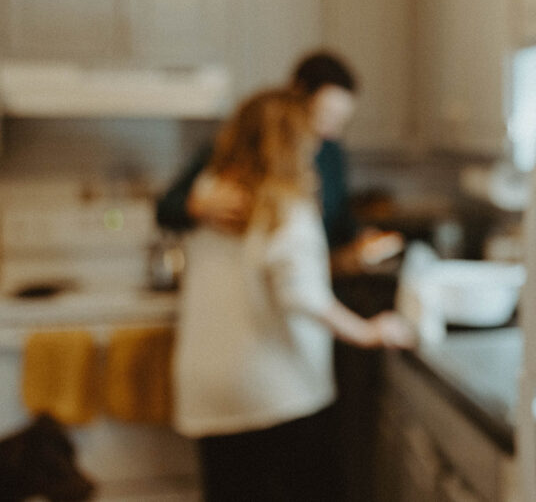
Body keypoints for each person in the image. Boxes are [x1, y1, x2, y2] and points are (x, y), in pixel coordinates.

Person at [172, 88, 414, 501]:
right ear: (290, 141)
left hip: (207, 383)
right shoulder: (285, 202)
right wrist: (369, 331)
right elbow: (300, 294)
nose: (318, 143)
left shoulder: (210, 190)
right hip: (273, 388)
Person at [156, 49, 401, 274]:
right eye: (326, 116)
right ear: (296, 99)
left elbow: (337, 217)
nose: (332, 132)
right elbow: (166, 208)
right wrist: (196, 206)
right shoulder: (240, 150)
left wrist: (360, 239)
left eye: (341, 121)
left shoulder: (331, 152)